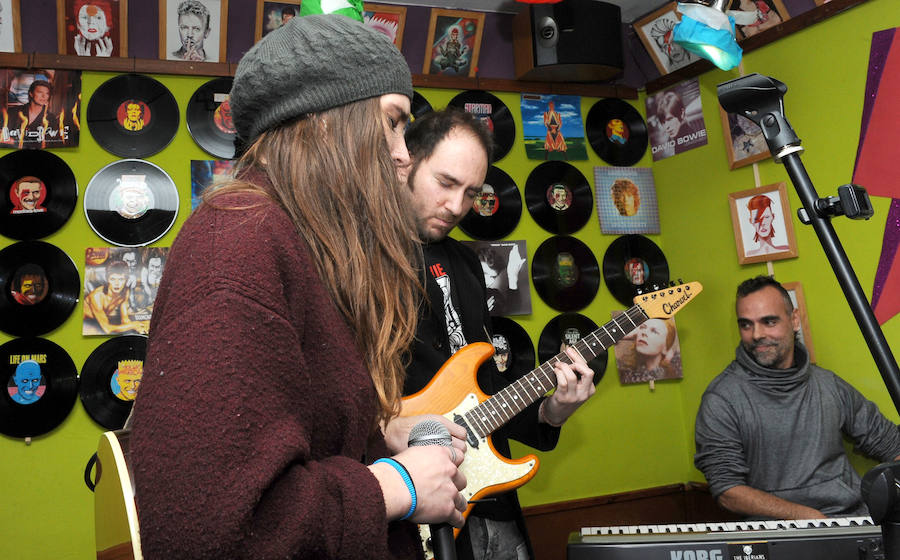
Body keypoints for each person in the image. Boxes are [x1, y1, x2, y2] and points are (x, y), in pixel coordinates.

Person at [130, 15, 467, 559]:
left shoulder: (296, 239)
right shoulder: (237, 245)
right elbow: (209, 527)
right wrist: (392, 487)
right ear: (327, 121)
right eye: (392, 122)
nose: (405, 154)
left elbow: (296, 437)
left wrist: (381, 439)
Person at [403, 108, 596, 560]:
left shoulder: (469, 263)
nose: (457, 206)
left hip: (490, 500)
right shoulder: (356, 262)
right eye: (446, 183)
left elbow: (484, 390)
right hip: (408, 505)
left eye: (471, 193)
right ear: (404, 162)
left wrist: (551, 412)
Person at [694, 276, 900, 519]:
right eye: (746, 325)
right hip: (779, 536)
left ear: (793, 320)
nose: (756, 334)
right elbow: (728, 491)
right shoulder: (722, 399)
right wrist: (809, 519)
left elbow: (890, 443)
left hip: (852, 522)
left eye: (769, 321)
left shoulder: (827, 385)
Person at [83, 260, 150, 335]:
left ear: (126, 280)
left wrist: (139, 328)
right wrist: (133, 325)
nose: (117, 284)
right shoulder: (97, 296)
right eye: (113, 279)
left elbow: (125, 320)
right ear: (108, 280)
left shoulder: (124, 292)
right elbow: (107, 329)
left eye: (121, 279)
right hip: (85, 323)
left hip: (100, 322)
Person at [616, 318, 681, 384]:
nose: (644, 332)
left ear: (665, 347)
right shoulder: (624, 371)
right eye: (642, 328)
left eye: (654, 331)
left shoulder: (675, 370)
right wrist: (624, 336)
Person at [5, 79, 60, 147]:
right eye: (40, 92)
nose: (44, 96)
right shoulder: (13, 112)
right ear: (31, 93)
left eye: (47, 93)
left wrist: (13, 142)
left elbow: (50, 143)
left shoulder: (51, 118)